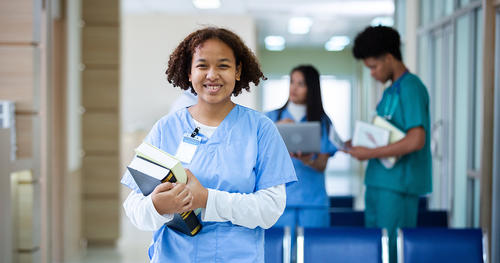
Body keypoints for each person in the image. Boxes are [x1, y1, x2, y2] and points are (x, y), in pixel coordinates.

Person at [121, 27, 297, 262]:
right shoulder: (166, 128)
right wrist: (156, 206)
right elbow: (134, 206)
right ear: (189, 72)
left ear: (238, 71)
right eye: (202, 66)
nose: (212, 75)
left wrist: (207, 199)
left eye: (223, 65)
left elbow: (270, 210)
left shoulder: (261, 130)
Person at [349, 26, 432, 263]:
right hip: (378, 183)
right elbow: (387, 133)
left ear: (389, 57)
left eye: (374, 67)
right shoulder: (390, 92)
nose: (372, 74)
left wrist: (370, 152)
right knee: (374, 250)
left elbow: (416, 139)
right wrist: (356, 143)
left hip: (398, 187)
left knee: (393, 253)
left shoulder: (411, 88)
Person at [266, 65, 337, 232]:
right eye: (292, 82)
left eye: (301, 84)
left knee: (314, 254)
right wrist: (275, 128)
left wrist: (308, 159)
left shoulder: (323, 122)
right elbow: (252, 147)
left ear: (311, 88)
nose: (294, 88)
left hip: (313, 202)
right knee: (278, 255)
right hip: (279, 201)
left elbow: (322, 165)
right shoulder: (270, 119)